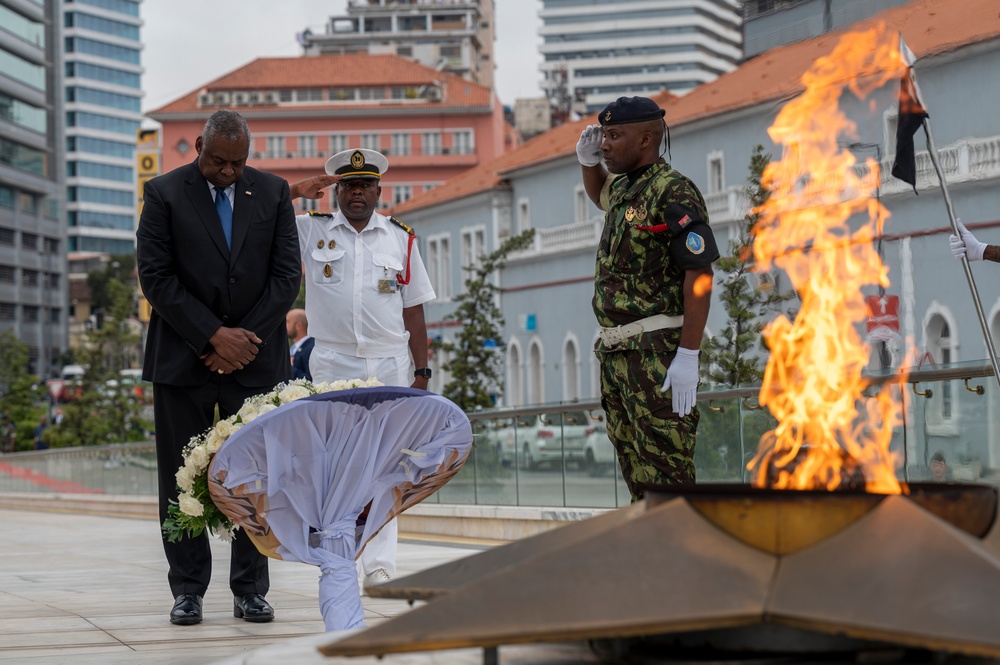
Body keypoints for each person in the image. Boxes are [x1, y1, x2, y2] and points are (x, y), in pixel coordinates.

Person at [136, 109, 304, 626]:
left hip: (255, 360)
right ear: (199, 149)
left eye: (238, 162)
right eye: (218, 161)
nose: (228, 171)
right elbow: (156, 277)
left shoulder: (273, 193)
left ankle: (251, 588)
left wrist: (243, 342)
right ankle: (187, 590)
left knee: (254, 474)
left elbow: (285, 277)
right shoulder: (163, 194)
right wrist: (212, 335)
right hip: (183, 359)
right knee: (180, 479)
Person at [292, 148, 436, 591]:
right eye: (348, 185)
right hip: (334, 360)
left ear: (378, 190)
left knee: (385, 464)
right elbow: (260, 213)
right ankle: (338, 553)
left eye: (364, 185)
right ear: (336, 190)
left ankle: (378, 561)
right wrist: (297, 191)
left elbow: (414, 312)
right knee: (334, 462)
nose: (357, 193)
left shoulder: (400, 238)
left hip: (389, 362)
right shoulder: (309, 229)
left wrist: (423, 372)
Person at [576, 96, 719, 501]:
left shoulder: (673, 191)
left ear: (646, 139)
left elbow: (700, 273)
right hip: (619, 355)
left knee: (668, 478)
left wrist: (688, 355)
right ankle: (652, 557)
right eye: (603, 135)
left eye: (614, 136)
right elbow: (602, 195)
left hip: (657, 355)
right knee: (637, 476)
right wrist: (589, 165)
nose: (605, 144)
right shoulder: (625, 188)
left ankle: (684, 561)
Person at [286, 308, 315, 381]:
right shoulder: (294, 347)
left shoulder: (310, 348)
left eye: (288, 322)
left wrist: (291, 367)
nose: (285, 326)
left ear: (298, 325)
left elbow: (310, 379)